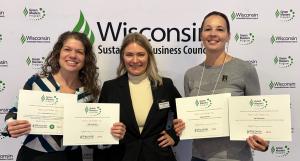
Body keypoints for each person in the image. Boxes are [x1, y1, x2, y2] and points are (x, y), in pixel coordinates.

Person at [4, 31, 125, 161]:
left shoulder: (87, 93)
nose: (73, 55)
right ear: (58, 53)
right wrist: (11, 125)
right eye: (67, 49)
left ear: (86, 58)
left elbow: (91, 138)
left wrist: (110, 134)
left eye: (79, 52)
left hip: (71, 157)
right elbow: (14, 113)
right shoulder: (37, 83)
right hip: (35, 156)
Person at [173, 11, 269, 161]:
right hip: (198, 157)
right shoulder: (190, 75)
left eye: (220, 29)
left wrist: (264, 140)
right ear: (200, 35)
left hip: (235, 158)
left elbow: (257, 116)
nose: (213, 34)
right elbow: (190, 118)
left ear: (228, 36)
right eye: (207, 29)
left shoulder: (245, 69)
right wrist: (182, 125)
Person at [93, 32, 181, 161]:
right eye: (129, 55)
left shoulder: (165, 85)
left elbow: (185, 113)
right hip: (123, 155)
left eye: (140, 54)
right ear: (123, 57)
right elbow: (99, 125)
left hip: (159, 156)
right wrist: (110, 131)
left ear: (149, 57)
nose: (135, 60)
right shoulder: (110, 88)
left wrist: (174, 135)